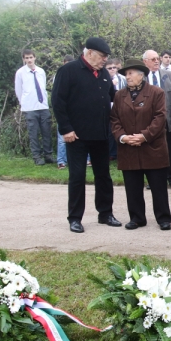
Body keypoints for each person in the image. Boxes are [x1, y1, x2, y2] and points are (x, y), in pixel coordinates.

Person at [51, 37, 121, 233]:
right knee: (77, 176)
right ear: (89, 53)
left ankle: (105, 213)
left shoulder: (104, 75)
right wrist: (65, 129)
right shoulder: (69, 71)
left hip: (100, 134)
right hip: (77, 136)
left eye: (106, 57)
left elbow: (113, 97)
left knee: (103, 176)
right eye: (101, 56)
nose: (104, 61)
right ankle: (75, 218)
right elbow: (58, 101)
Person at [110, 59, 171, 230]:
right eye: (126, 74)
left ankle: (163, 218)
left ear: (141, 74)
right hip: (128, 148)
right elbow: (114, 119)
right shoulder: (119, 95)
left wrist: (144, 136)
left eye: (130, 73)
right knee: (132, 186)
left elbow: (160, 118)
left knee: (158, 186)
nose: (127, 77)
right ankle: (137, 218)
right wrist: (123, 137)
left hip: (153, 147)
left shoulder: (156, 92)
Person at [143, 50, 171, 189]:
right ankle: (154, 180)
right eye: (152, 59)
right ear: (145, 62)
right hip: (148, 122)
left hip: (167, 120)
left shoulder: (170, 76)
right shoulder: (142, 77)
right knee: (150, 150)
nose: (156, 61)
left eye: (157, 58)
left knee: (169, 149)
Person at [14, 49, 53, 166]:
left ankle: (48, 155)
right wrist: (24, 103)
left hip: (43, 106)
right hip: (30, 108)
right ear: (23, 59)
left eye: (31, 57)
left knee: (46, 131)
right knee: (34, 133)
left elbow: (43, 87)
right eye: (26, 58)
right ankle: (37, 157)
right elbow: (18, 90)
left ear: (35, 58)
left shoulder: (41, 71)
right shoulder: (20, 73)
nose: (29, 60)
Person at [55, 55, 75, 169]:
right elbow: (57, 99)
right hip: (63, 113)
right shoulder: (60, 74)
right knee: (62, 138)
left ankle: (87, 160)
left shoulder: (75, 76)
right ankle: (61, 161)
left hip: (75, 114)